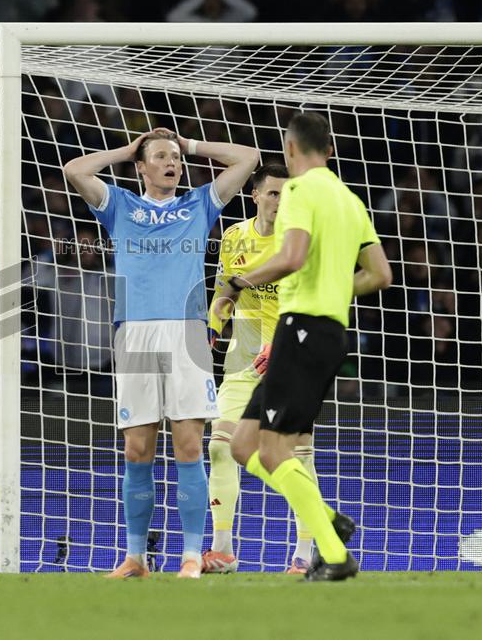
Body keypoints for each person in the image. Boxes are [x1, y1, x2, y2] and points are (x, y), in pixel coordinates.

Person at [64, 127, 259, 579]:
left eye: (176, 158)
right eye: (161, 157)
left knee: (188, 445)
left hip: (186, 332)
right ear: (142, 167)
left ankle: (190, 555)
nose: (172, 163)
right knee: (137, 449)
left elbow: (248, 158)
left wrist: (189, 145)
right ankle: (135, 558)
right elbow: (75, 170)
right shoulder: (120, 205)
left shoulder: (198, 204)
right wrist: (128, 149)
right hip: (134, 333)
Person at [213, 112, 392, 581]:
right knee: (242, 445)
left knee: (275, 450)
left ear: (290, 150)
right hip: (328, 333)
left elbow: (291, 257)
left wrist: (240, 281)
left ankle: (334, 553)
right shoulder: (350, 201)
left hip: (301, 330)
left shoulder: (297, 191)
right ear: (329, 151)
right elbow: (380, 274)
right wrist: (331, 288)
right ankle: (327, 517)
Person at [202, 163, 321, 575]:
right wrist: (211, 328)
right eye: (273, 193)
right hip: (242, 363)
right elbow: (226, 292)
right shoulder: (234, 237)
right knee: (220, 446)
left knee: (294, 455)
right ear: (254, 195)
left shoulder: (302, 243)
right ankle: (222, 550)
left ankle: (305, 554)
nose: (280, 201)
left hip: (293, 364)